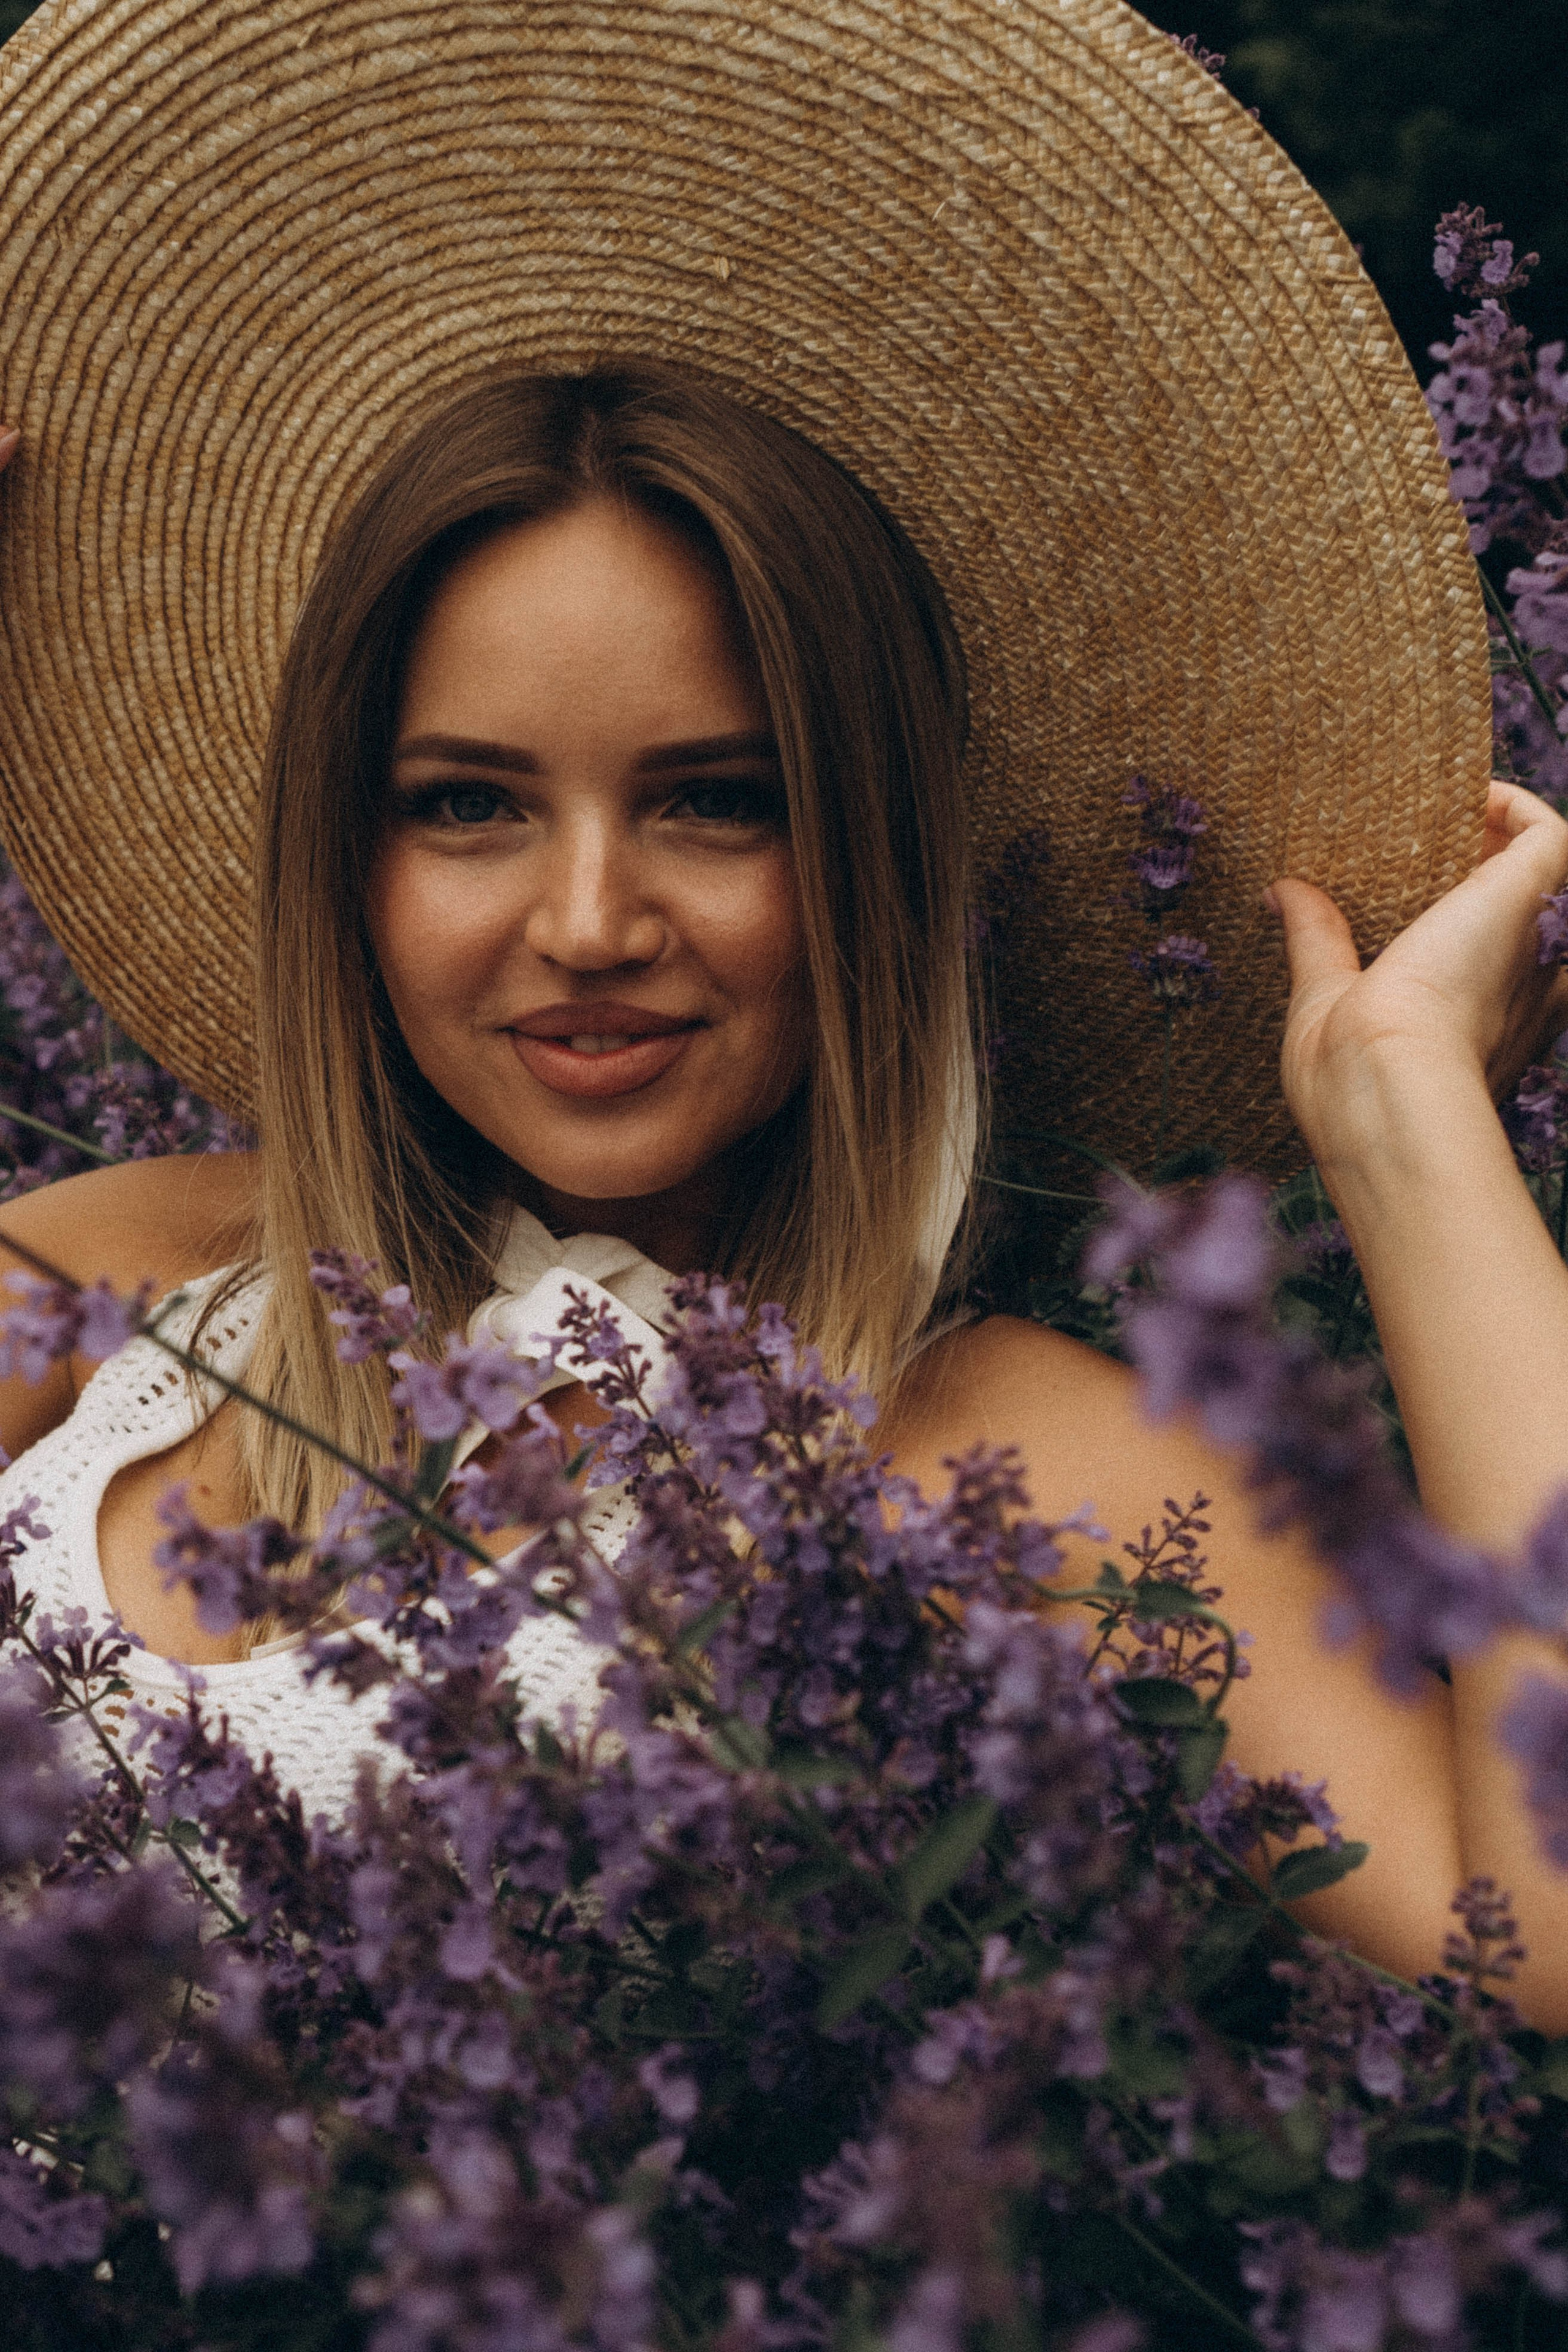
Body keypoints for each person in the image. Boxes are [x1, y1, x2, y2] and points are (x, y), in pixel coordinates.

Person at [0, 1, 1566, 2025]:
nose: (587, 922)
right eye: (466, 804)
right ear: (347, 864)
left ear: (875, 856)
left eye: (719, 803)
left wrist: (1402, 1115)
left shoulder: (1001, 1452)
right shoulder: (125, 1267)